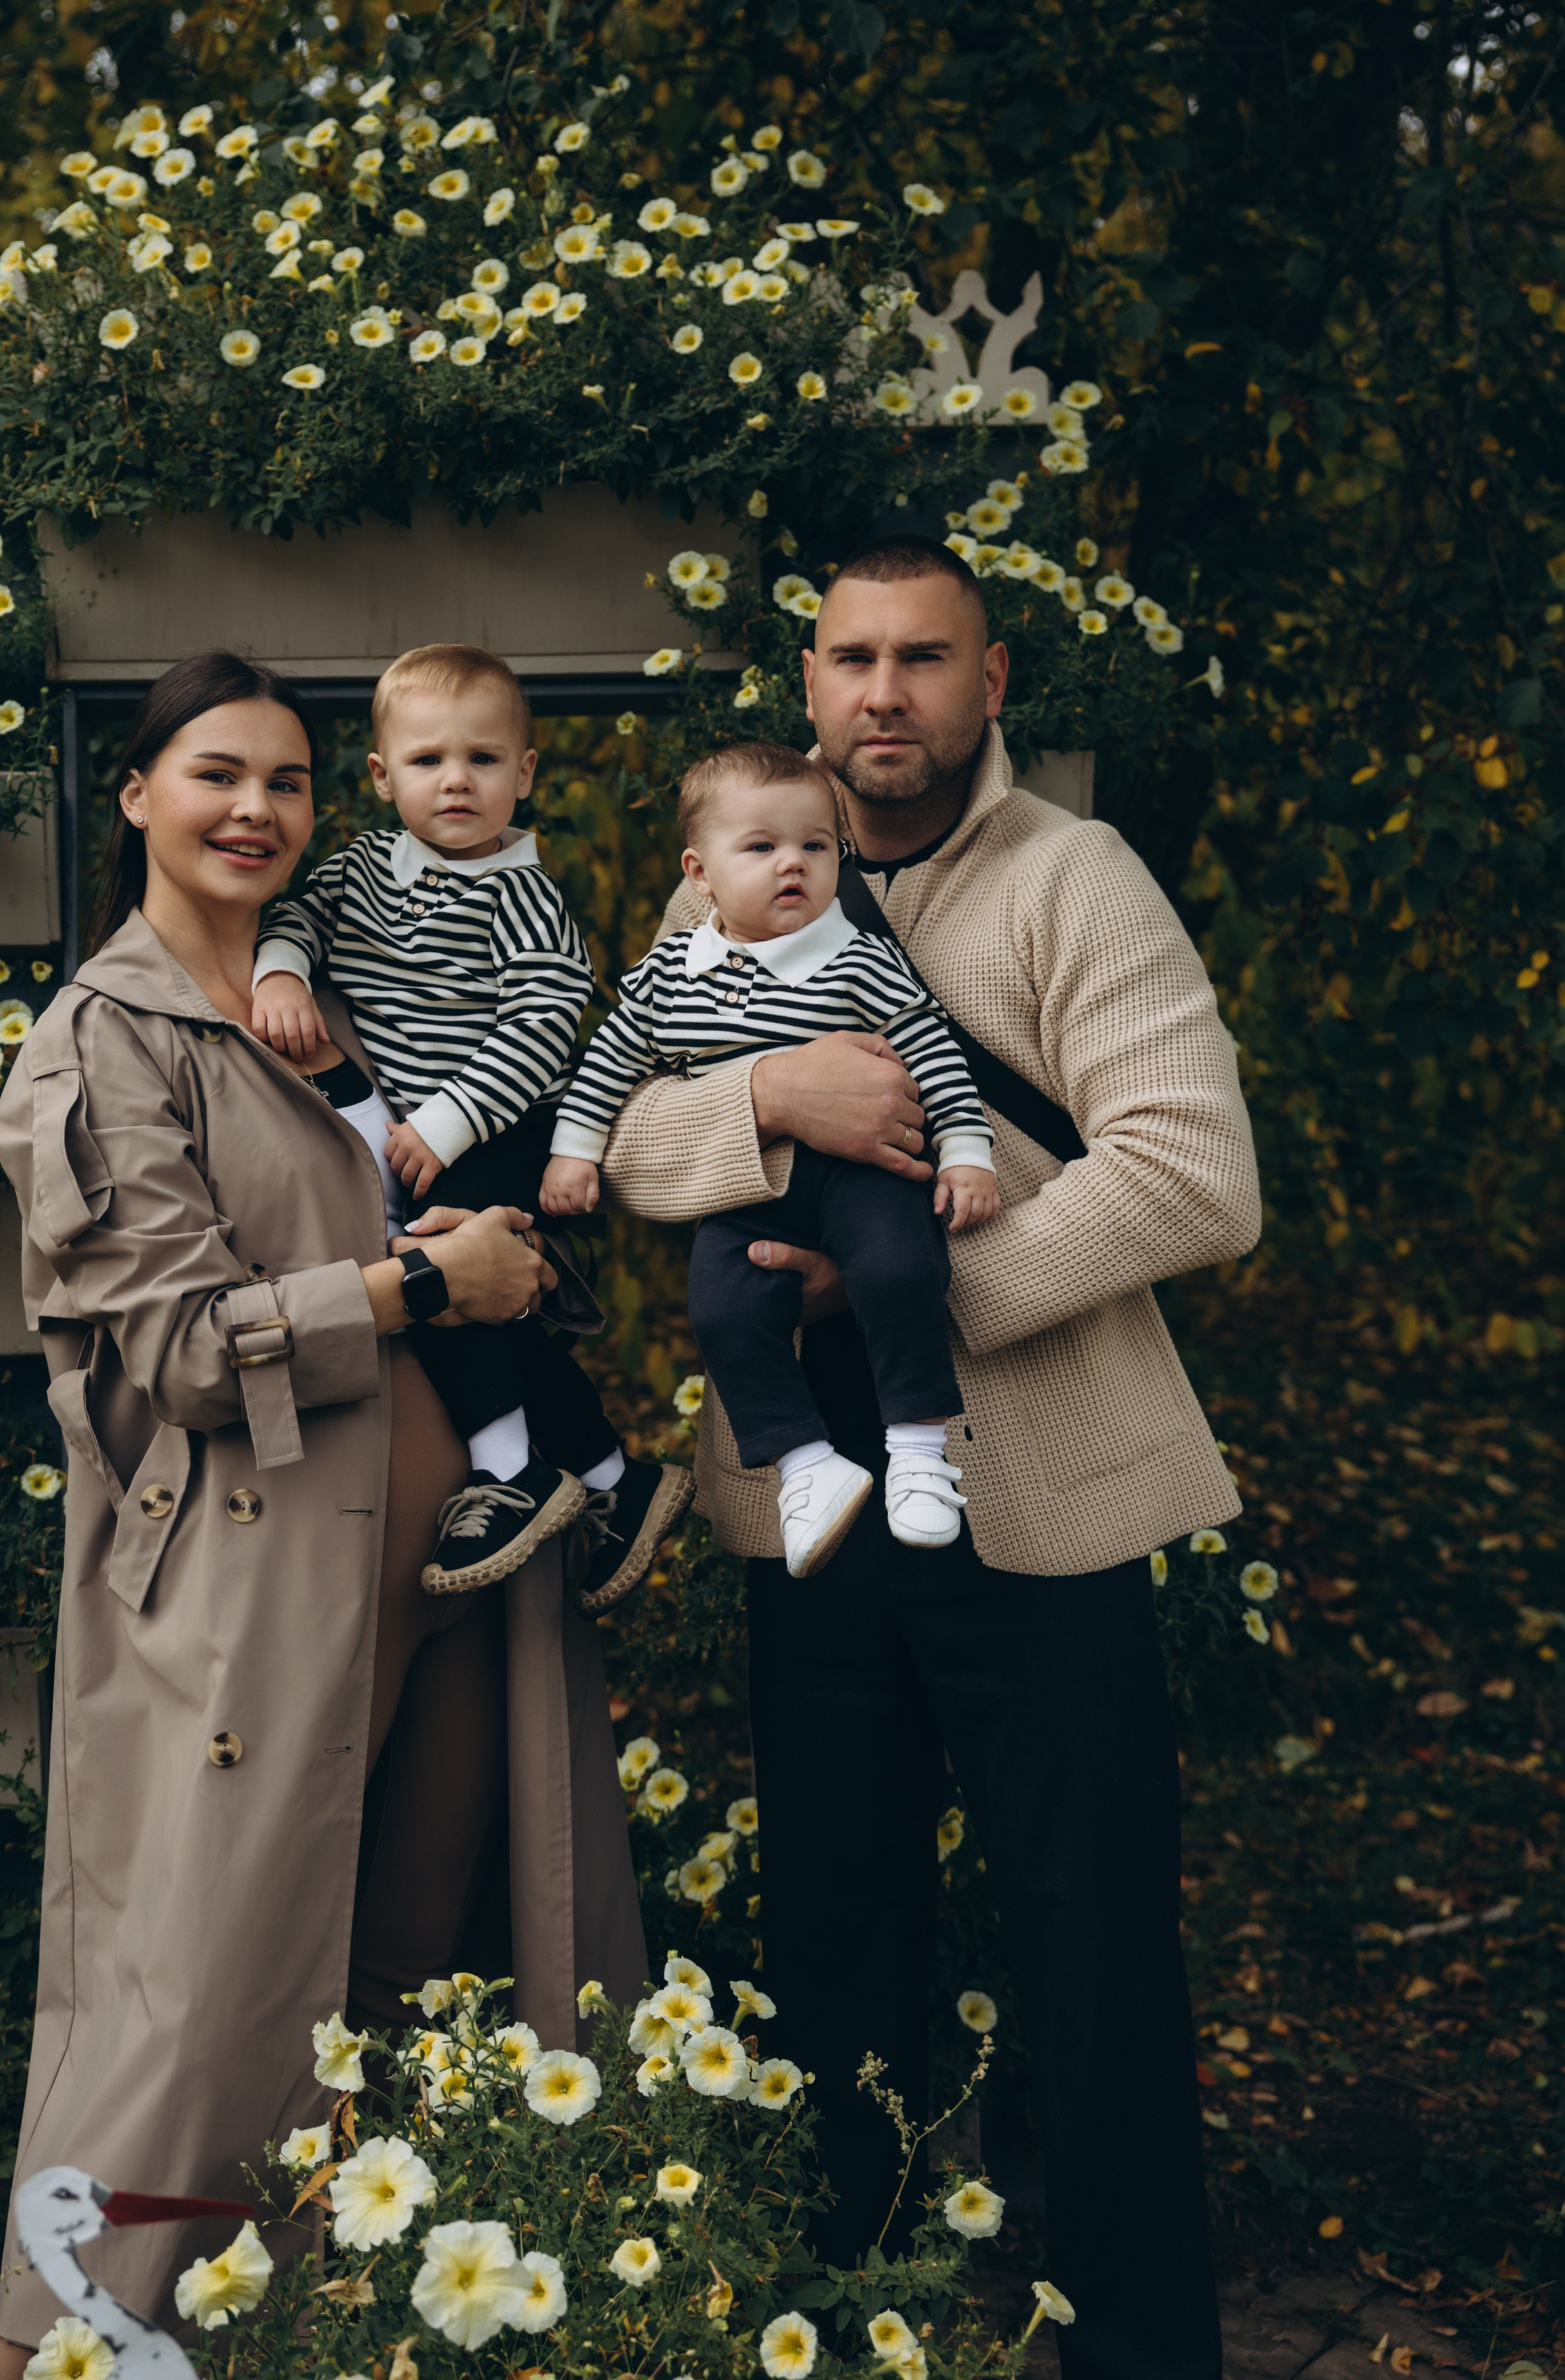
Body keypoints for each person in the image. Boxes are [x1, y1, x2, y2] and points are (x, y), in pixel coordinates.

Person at [598, 538, 1261, 2380]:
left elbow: (1193, 1175)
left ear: (989, 684)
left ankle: (1138, 2353)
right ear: (807, 683)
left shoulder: (1071, 878)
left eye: (923, 658)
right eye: (851, 658)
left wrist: (912, 1295)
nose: (882, 693)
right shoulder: (739, 867)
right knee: (834, 1951)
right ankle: (855, 2329)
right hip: (811, 1512)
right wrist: (765, 1097)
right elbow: (629, 1137)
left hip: (1045, 1503)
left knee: (1094, 1956)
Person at [0, 651, 644, 2376]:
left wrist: (507, 1268)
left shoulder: (348, 997)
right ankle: (53, 2349)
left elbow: (507, 1196)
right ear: (137, 793)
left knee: (417, 1990)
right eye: (216, 773)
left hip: (459, 1578)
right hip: (247, 1603)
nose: (255, 808)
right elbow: (185, 1346)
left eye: (286, 779)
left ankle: (323, 2344)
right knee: (193, 2012)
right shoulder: (105, 1041)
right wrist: (422, 1288)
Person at [250, 641, 693, 1613]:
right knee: (500, 1314)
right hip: (423, 1130)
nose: (456, 780)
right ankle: (615, 1478)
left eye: (483, 760)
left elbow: (545, 1024)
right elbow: (296, 920)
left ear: (523, 774)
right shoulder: (358, 869)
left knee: (438, 1272)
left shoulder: (521, 895)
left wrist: (447, 1125)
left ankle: (508, 1470)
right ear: (382, 777)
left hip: (506, 1123)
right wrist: (279, 973)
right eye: (428, 760)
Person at [541, 739, 997, 1575]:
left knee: (900, 1270)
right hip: (748, 1187)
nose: (793, 864)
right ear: (699, 874)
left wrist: (967, 1151)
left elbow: (931, 1050)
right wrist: (574, 1151)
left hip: (865, 1176)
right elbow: (609, 1066)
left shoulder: (855, 956)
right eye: (760, 847)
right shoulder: (667, 974)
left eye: (815, 846)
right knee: (722, 1309)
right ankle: (804, 1465)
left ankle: (919, 1453)